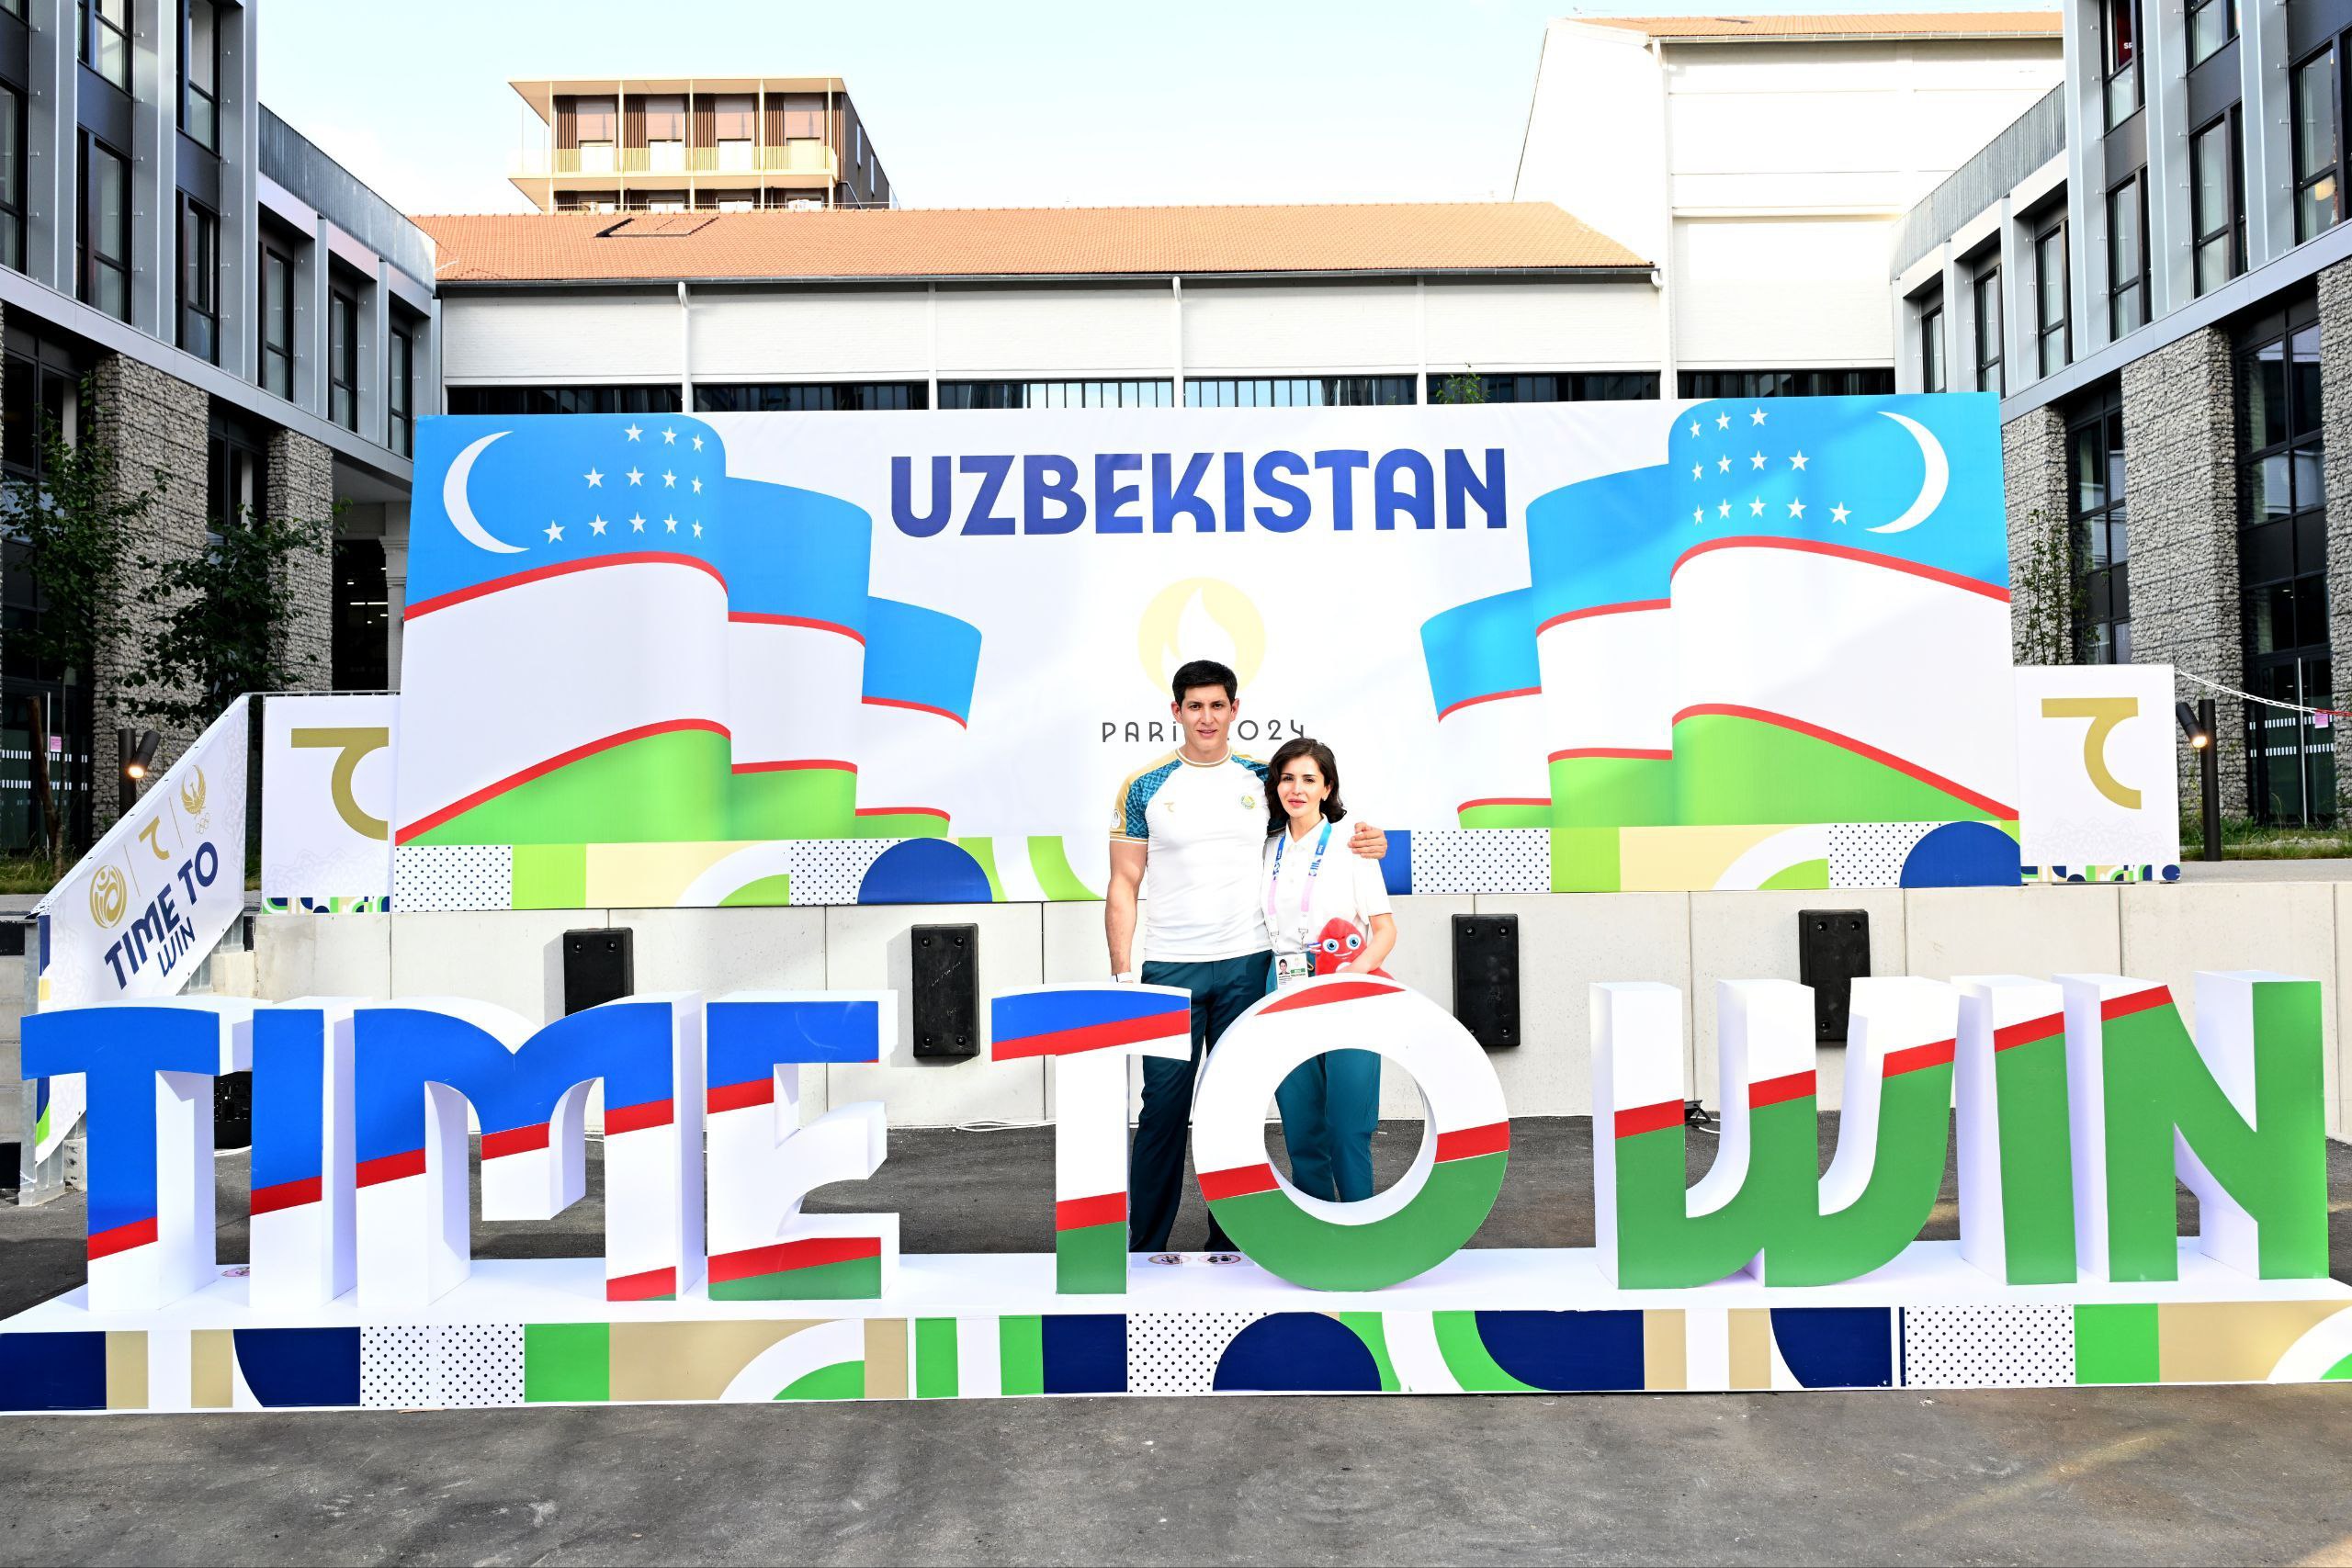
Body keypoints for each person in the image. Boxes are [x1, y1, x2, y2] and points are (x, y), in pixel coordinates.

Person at [1107, 660, 1385, 1262]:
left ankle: (1231, 1244)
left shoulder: (1263, 779)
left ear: (1235, 709)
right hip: (1170, 968)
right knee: (1162, 1112)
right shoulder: (1144, 786)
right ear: (1176, 711)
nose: (1206, 717)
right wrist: (1124, 974)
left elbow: (1320, 828)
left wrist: (1371, 841)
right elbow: (1124, 883)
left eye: (1217, 705)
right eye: (1194, 706)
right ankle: (1144, 1247)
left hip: (1248, 966)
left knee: (1231, 1109)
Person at [1261, 737, 1395, 1204]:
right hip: (1282, 987)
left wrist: (1350, 978)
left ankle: (1361, 1225)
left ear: (1327, 787)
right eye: (1287, 778)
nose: (1296, 789)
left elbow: (1385, 931)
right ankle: (1317, 1227)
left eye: (1308, 779)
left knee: (1348, 1125)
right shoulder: (1266, 848)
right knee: (1301, 1126)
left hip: (1347, 987)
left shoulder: (1351, 845)